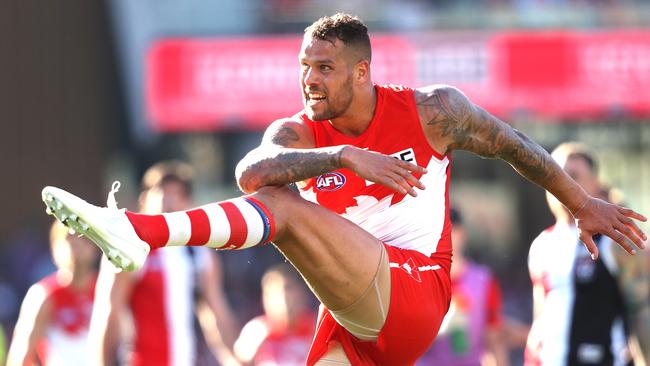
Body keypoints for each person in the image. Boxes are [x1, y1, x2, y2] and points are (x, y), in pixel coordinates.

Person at [40, 13, 647, 365]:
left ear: (362, 71)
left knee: (289, 211)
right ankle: (137, 234)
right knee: (278, 197)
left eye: (324, 68)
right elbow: (252, 172)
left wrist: (581, 202)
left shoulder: (433, 111)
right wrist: (343, 155)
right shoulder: (301, 134)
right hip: (352, 313)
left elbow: (515, 144)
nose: (309, 80)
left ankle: (140, 233)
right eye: (304, 67)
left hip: (415, 293)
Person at [88, 161, 239, 366]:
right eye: (162, 192)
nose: (169, 200)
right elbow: (107, 314)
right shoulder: (128, 249)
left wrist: (236, 360)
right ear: (144, 199)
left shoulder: (198, 254)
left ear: (188, 203)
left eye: (178, 194)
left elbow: (216, 314)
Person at [526, 142, 650, 366]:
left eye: (573, 176)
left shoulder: (615, 241)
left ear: (595, 184)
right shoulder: (541, 244)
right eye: (554, 176)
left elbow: (642, 313)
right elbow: (541, 316)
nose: (561, 184)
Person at [417, 207, 509, 366]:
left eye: (449, 231)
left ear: (462, 233)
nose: (444, 238)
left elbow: (493, 340)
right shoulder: (418, 279)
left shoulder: (483, 281)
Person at [6, 221, 98, 366]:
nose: (76, 244)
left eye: (83, 239)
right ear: (54, 248)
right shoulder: (44, 294)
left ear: (95, 247)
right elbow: (21, 354)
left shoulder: (108, 290)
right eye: (68, 238)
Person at [234, 263, 316, 365]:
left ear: (302, 293)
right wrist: (247, 357)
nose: (283, 298)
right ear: (265, 298)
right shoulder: (256, 330)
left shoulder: (316, 328)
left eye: (288, 289)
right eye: (275, 292)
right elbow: (237, 360)